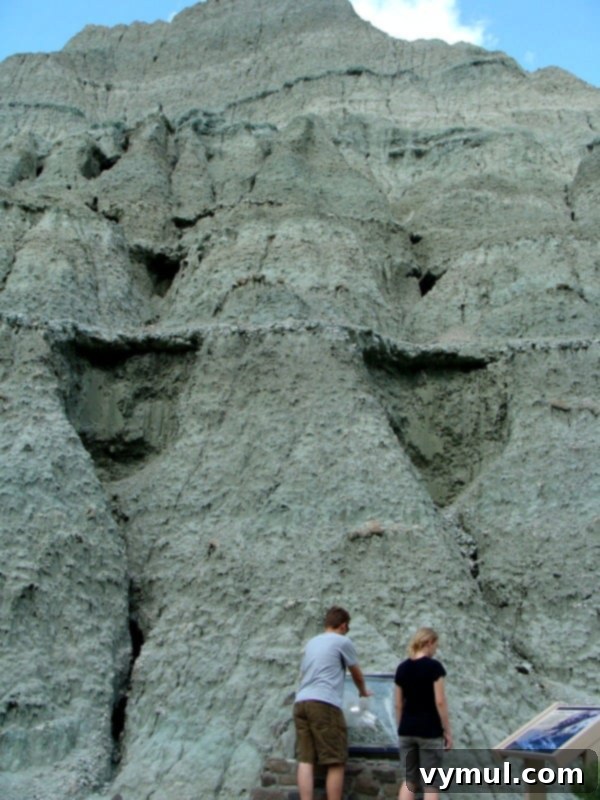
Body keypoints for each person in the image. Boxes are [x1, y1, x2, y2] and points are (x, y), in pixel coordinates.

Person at [294, 605, 371, 800]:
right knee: (335, 760)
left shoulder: (312, 643)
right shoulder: (342, 641)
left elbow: (304, 673)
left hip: (301, 702)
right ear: (343, 625)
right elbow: (356, 673)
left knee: (306, 759)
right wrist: (363, 692)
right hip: (323, 703)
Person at [394, 627, 452, 800]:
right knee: (431, 784)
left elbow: (398, 704)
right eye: (436, 645)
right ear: (428, 643)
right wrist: (447, 731)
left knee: (409, 780)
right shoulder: (434, 667)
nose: (436, 649)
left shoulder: (402, 668)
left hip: (407, 730)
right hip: (429, 731)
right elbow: (440, 701)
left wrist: (401, 727)